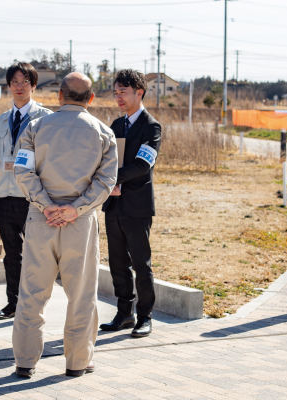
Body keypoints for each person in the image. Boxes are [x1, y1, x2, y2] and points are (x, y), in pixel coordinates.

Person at [12, 72, 118, 378]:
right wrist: (75, 209)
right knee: (82, 294)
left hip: (40, 221)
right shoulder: (103, 132)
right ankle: (77, 362)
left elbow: (22, 170)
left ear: (60, 95)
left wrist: (46, 205)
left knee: (32, 293)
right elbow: (106, 180)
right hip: (80, 225)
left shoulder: (36, 126)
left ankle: (25, 361)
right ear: (91, 99)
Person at [100, 69, 162, 338]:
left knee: (140, 262)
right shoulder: (115, 126)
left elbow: (142, 165)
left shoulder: (151, 127)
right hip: (113, 203)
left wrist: (108, 177)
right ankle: (125, 313)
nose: (118, 97)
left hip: (136, 206)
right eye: (116, 92)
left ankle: (145, 315)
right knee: (117, 262)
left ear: (140, 92)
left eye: (123, 92)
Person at [0, 62, 53, 320]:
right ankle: (13, 303)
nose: (19, 86)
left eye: (24, 81)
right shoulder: (1, 120)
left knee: (37, 253)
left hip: (31, 197)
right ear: (8, 86)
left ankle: (35, 304)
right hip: (5, 195)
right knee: (11, 253)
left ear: (33, 85)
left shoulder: (46, 118)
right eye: (14, 82)